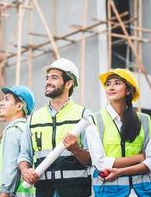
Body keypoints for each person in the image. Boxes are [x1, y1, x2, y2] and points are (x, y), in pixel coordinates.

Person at [18, 58, 95, 197]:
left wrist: (76, 149)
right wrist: (25, 171)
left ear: (69, 83)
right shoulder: (33, 118)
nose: (48, 81)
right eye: (47, 78)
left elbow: (93, 160)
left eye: (54, 78)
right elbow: (24, 155)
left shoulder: (84, 116)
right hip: (44, 191)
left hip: (76, 192)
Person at [93, 68, 151, 197]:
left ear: (128, 90)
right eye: (108, 84)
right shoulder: (96, 119)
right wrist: (139, 158)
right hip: (110, 192)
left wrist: (121, 171)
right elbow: (100, 163)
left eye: (117, 83)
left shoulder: (144, 120)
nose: (111, 87)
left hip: (144, 192)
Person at [0, 85, 36, 197]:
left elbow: (10, 166)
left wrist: (4, 192)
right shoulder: (27, 129)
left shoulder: (13, 130)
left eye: (7, 99)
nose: (1, 103)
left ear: (19, 106)